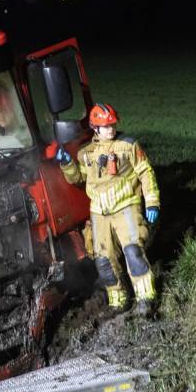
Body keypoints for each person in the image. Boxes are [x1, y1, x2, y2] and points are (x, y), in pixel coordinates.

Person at [48, 103, 160, 317]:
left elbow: (145, 172)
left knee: (133, 252)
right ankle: (119, 300)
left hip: (126, 204)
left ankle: (146, 297)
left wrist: (152, 201)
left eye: (112, 125)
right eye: (106, 126)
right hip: (99, 212)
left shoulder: (127, 145)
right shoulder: (86, 153)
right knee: (104, 260)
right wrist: (66, 163)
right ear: (95, 128)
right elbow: (78, 178)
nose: (111, 129)